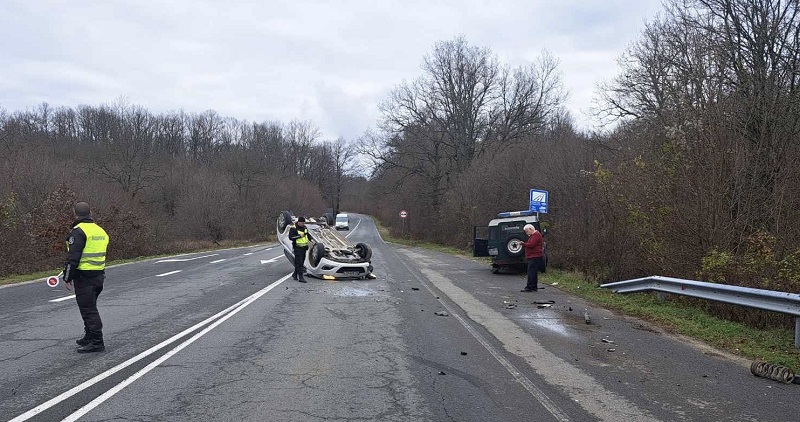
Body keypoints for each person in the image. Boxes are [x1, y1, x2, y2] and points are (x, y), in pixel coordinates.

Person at [64, 202, 109, 353]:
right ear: (90, 213)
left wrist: (67, 277)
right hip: (99, 275)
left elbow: (73, 257)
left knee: (88, 310)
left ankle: (97, 341)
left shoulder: (78, 232)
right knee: (89, 307)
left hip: (84, 277)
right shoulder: (100, 230)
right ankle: (89, 336)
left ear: (75, 213)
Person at [521, 224, 543, 292]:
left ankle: (529, 287)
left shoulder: (536, 235)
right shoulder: (534, 235)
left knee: (531, 272)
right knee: (533, 272)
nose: (527, 233)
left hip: (534, 256)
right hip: (534, 256)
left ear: (531, 229)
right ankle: (534, 286)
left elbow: (531, 245)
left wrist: (523, 244)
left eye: (527, 231)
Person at [288, 216, 309, 283]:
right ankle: (301, 277)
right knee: (299, 262)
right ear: (299, 222)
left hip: (304, 247)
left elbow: (307, 235)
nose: (303, 224)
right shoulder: (293, 228)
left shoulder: (305, 227)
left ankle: (294, 274)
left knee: (301, 262)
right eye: (302, 222)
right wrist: (299, 236)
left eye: (304, 222)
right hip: (297, 247)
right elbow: (291, 237)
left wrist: (310, 241)